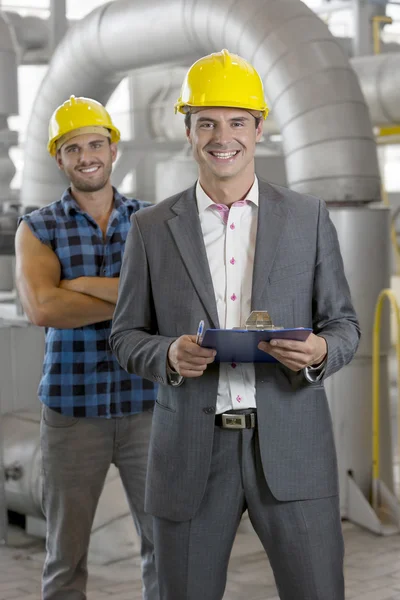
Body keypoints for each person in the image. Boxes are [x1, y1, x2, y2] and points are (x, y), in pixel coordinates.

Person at [110, 50, 360, 600]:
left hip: (293, 448)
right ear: (188, 130)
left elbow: (344, 325)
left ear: (259, 128)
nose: (223, 137)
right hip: (190, 454)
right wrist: (168, 355)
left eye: (237, 122)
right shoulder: (151, 228)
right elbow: (125, 336)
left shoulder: (307, 216)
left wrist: (319, 352)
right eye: (207, 124)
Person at [15, 96, 158, 600]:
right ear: (60, 158)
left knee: (163, 547)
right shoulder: (37, 227)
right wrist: (131, 298)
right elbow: (43, 310)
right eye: (73, 148)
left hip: (146, 405)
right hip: (72, 409)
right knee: (64, 555)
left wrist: (77, 283)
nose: (86, 155)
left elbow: (168, 300)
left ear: (113, 149)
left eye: (95, 143)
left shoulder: (150, 221)